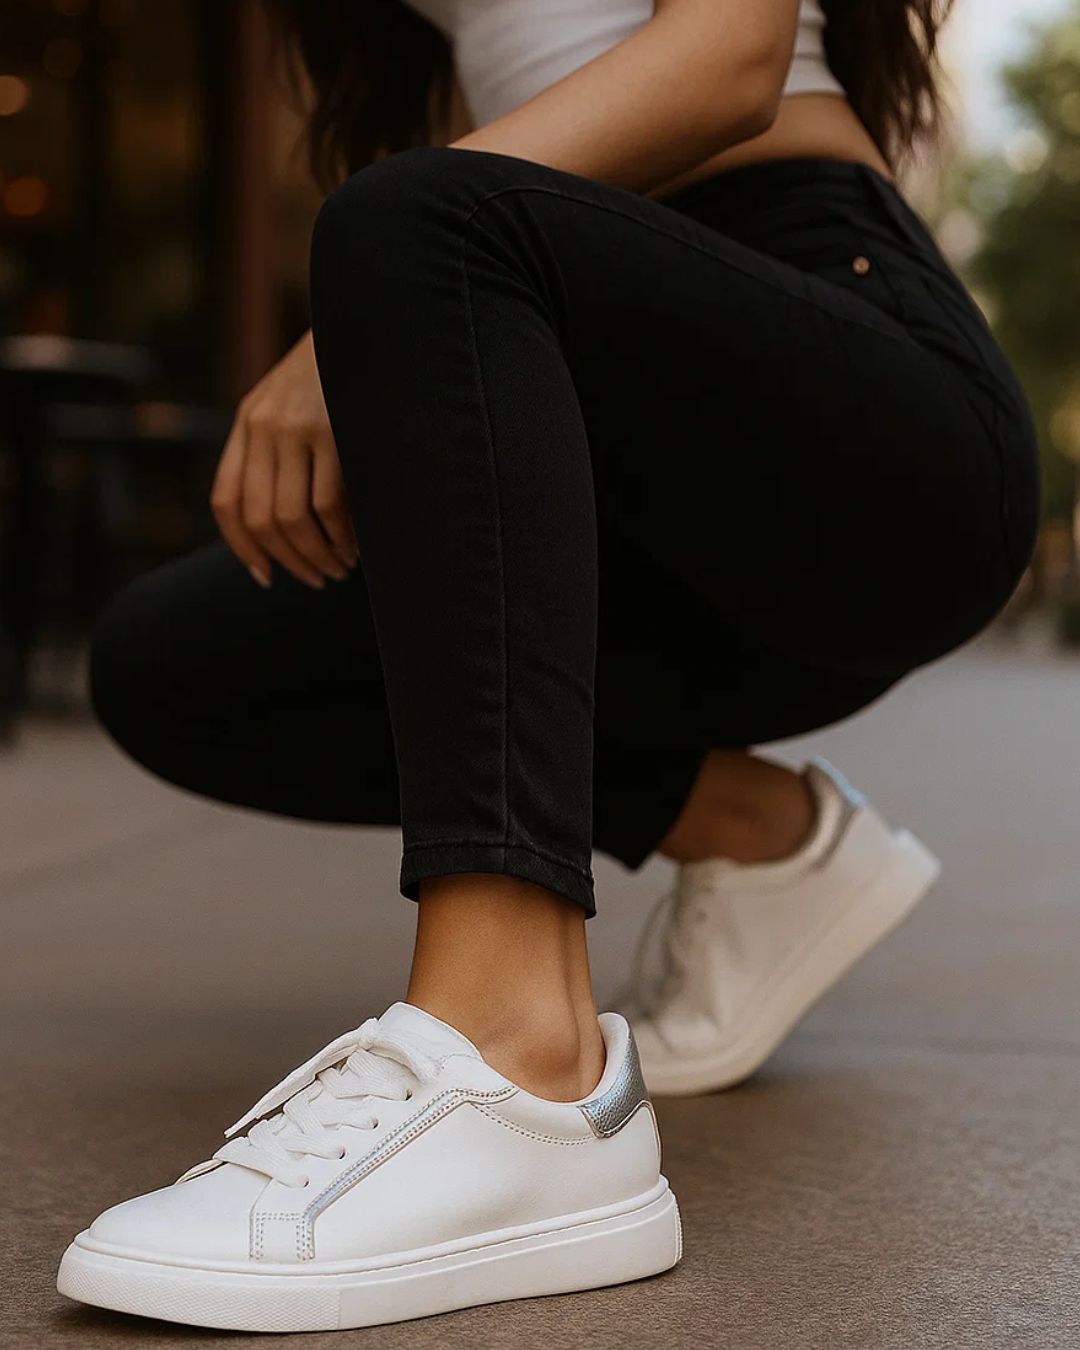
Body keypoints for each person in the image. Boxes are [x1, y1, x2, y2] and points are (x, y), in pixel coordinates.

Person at [57, 0, 1038, 1333]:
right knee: (176, 655)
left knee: (412, 220)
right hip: (596, 397)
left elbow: (729, 62)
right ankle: (758, 827)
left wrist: (343, 325)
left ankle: (521, 1056)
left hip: (852, 379)